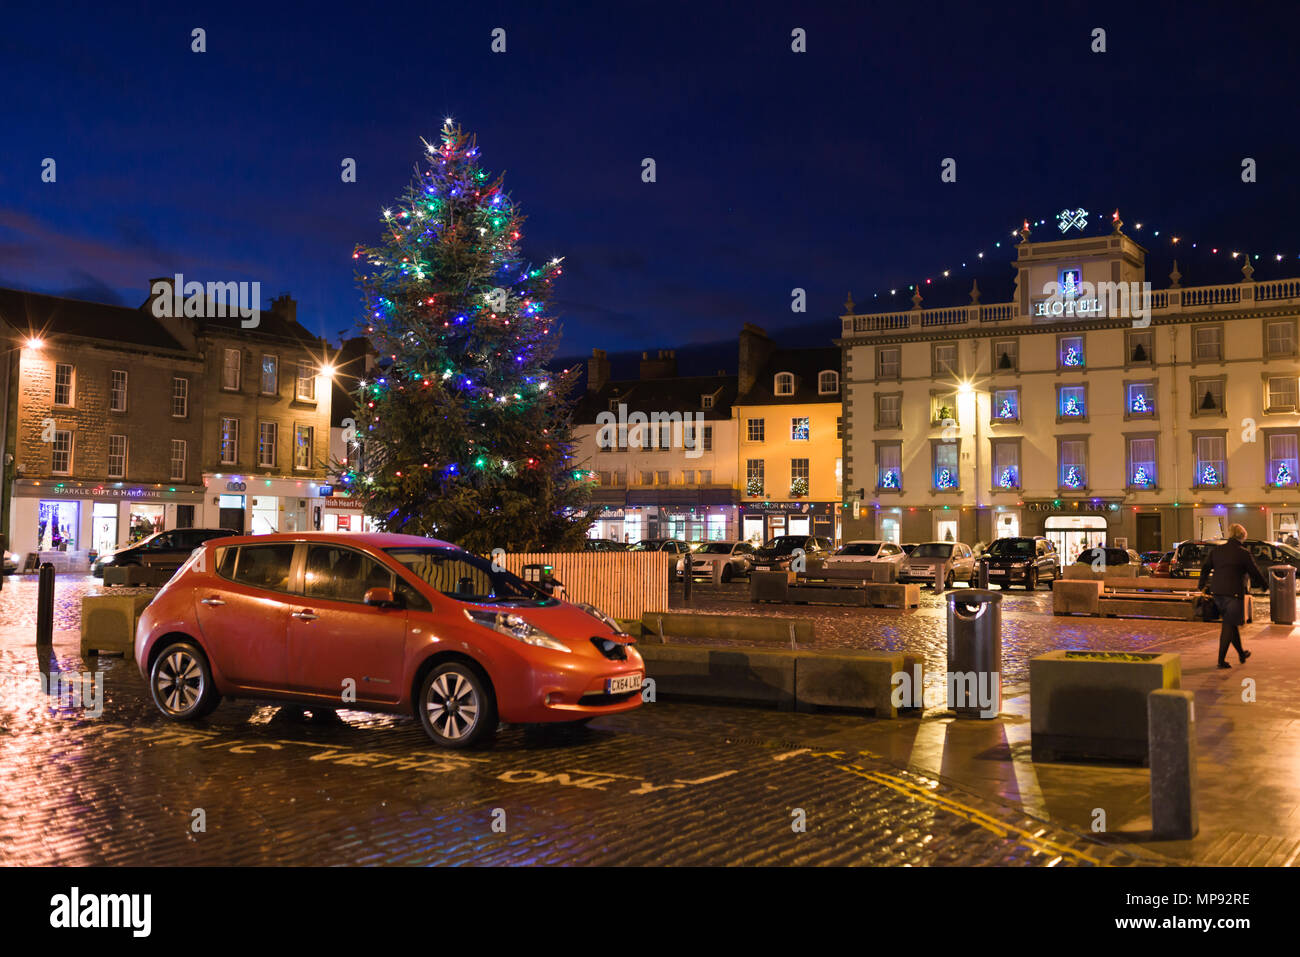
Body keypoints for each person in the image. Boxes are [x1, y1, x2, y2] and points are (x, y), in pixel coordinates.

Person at [1198, 524, 1265, 669]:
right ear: (1242, 536)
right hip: (1233, 593)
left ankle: (1241, 653)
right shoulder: (1243, 553)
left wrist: (1201, 584)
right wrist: (1264, 585)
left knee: (1231, 624)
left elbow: (1205, 567)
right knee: (1228, 625)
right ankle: (1221, 661)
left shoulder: (1218, 550)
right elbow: (1255, 572)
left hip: (1217, 592)